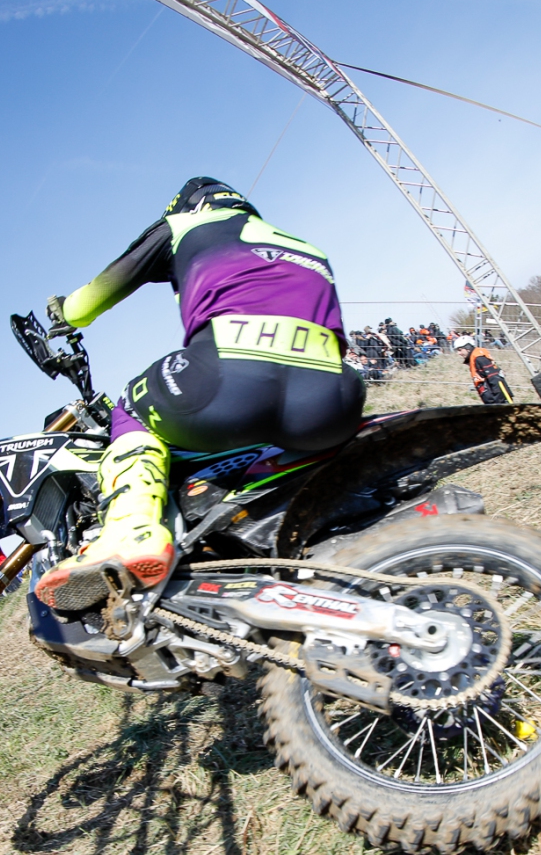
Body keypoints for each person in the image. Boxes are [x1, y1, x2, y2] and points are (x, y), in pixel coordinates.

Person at [34, 177, 359, 611]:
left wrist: (65, 311)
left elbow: (90, 300)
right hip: (332, 397)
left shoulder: (184, 224)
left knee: (130, 409)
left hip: (229, 380)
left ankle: (131, 533)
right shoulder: (305, 246)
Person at [454, 335, 513, 405]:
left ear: (468, 348)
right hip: (492, 401)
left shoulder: (480, 359)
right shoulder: (475, 359)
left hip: (498, 401)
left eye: (460, 350)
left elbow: (495, 379)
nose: (459, 353)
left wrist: (497, 403)